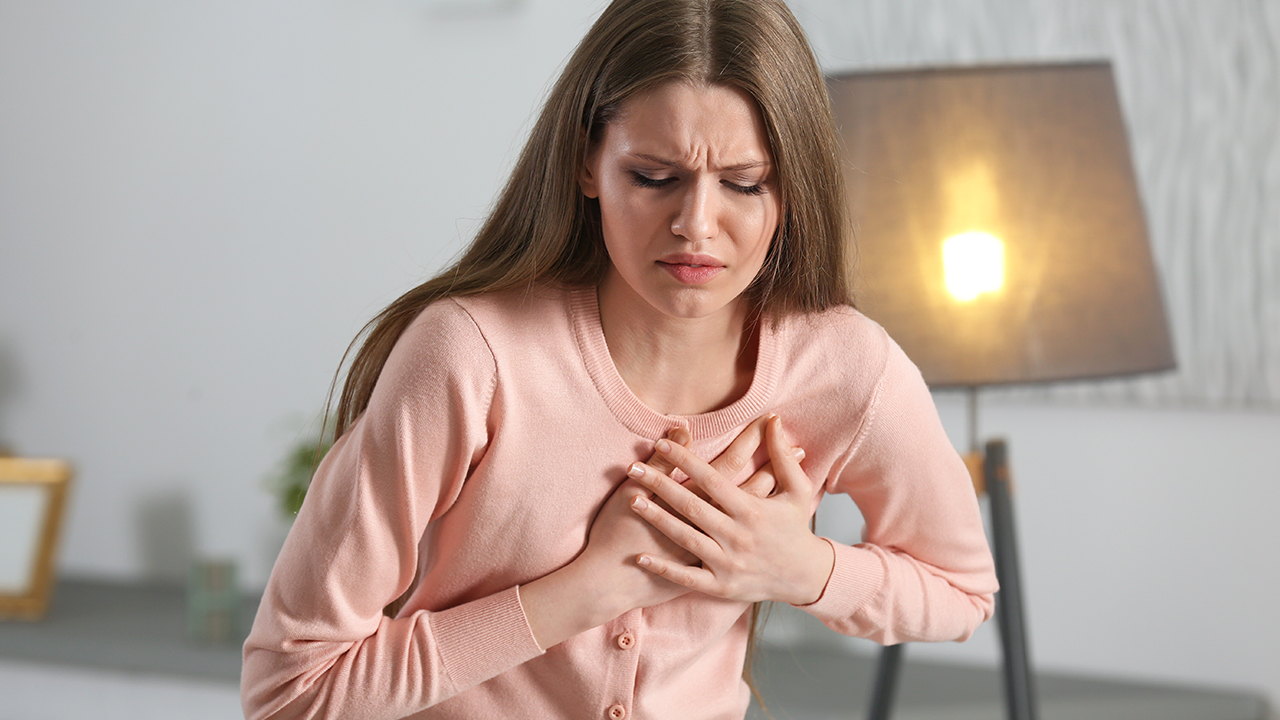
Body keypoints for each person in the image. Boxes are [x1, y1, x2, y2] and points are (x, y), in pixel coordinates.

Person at [241, 0, 998, 718]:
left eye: (744, 184)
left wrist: (797, 567)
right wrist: (585, 591)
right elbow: (290, 691)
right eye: (654, 177)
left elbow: (962, 591)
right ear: (586, 163)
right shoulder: (470, 357)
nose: (696, 225)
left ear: (792, 189)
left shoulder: (846, 368)